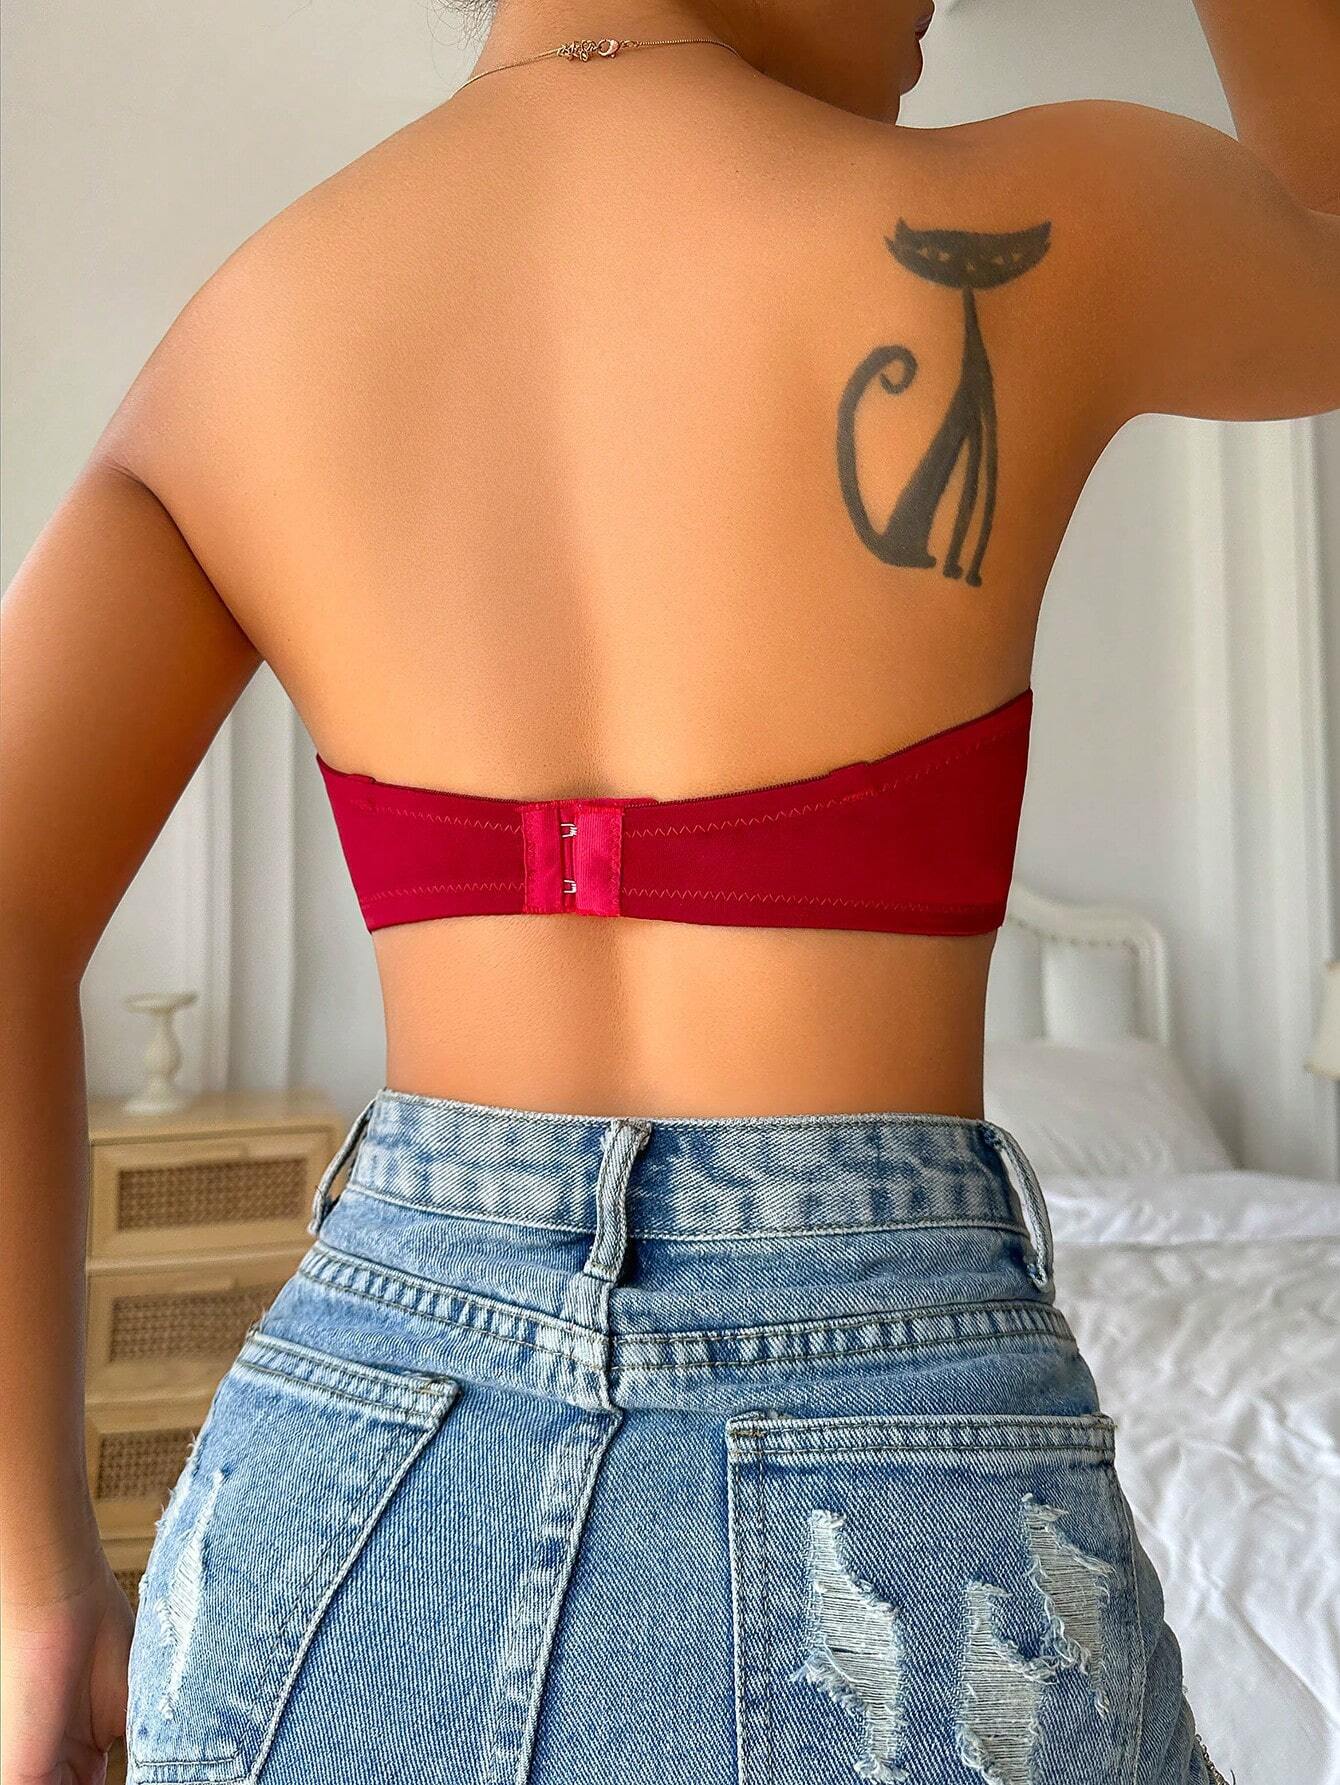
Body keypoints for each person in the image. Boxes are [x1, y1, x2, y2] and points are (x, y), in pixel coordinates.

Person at [2, 0, 1336, 1779]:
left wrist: (37, 1585)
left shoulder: (239, 338)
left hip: (335, 1516)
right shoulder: (1044, 214)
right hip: (894, 1503)